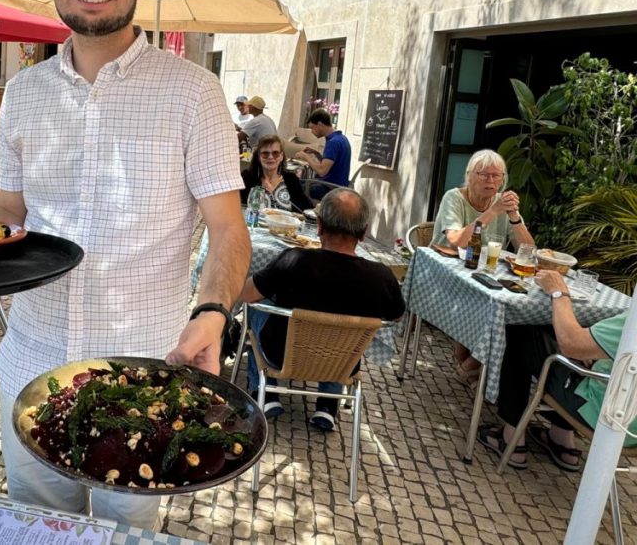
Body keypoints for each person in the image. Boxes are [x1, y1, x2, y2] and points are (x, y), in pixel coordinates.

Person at [0, 0, 250, 529]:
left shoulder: (194, 92)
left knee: (127, 533)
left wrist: (212, 313)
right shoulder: (22, 93)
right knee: (39, 529)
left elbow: (228, 232)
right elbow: (11, 210)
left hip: (142, 377)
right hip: (31, 365)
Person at [237, 188, 404, 427]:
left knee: (259, 305)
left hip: (280, 354)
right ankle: (327, 405)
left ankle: (267, 392)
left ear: (319, 225)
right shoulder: (382, 277)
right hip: (342, 363)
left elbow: (246, 294)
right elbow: (396, 316)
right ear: (364, 233)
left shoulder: (294, 260)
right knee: (343, 323)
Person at [478, 269, 636, 471]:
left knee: (522, 329)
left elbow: (571, 343)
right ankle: (562, 440)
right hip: (632, 430)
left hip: (605, 415)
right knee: (565, 331)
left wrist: (559, 292)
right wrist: (594, 354)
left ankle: (512, 440)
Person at [430, 149, 536, 385]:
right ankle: (470, 365)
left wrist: (514, 215)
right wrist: (492, 212)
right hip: (444, 273)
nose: (491, 181)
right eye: (484, 175)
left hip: (484, 272)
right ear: (470, 176)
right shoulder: (454, 197)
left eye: (496, 176)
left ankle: (469, 366)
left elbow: (528, 250)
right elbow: (458, 241)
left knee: (507, 308)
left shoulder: (502, 204)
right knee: (478, 303)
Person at [240, 134, 313, 212]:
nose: (270, 157)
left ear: (281, 156)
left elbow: (307, 209)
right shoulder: (247, 178)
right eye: (265, 153)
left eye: (275, 153)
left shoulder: (291, 179)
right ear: (258, 156)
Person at [301, 108, 351, 189]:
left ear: (320, 124)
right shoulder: (341, 138)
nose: (311, 131)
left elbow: (322, 171)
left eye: (312, 128)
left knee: (293, 186)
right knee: (298, 182)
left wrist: (305, 157)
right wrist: (316, 153)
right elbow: (331, 164)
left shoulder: (333, 143)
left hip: (330, 188)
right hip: (339, 185)